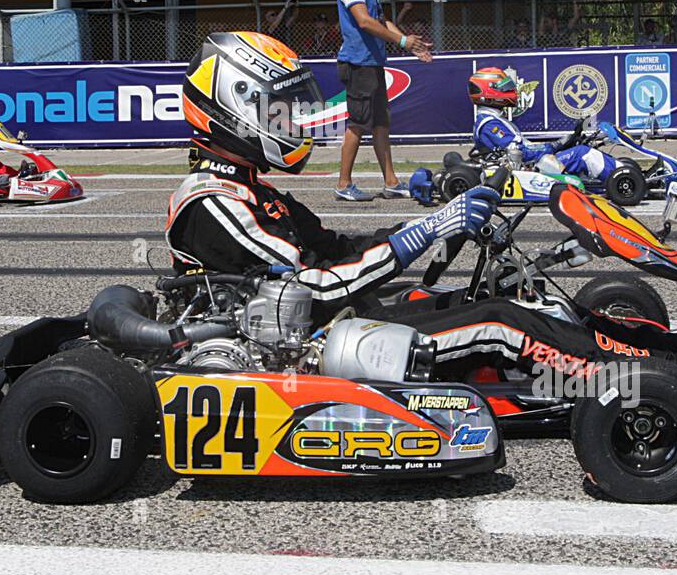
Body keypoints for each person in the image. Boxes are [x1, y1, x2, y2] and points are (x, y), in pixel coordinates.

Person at [168, 31, 643, 382]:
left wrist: (427, 226)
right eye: (280, 110)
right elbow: (314, 289)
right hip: (306, 353)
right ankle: (633, 384)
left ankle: (650, 350)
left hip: (345, 323)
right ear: (237, 108)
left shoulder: (254, 192)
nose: (293, 121)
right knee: (498, 324)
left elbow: (339, 249)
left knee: (486, 300)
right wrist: (425, 232)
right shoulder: (208, 203)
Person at [334, 0, 433, 202]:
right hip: (357, 63)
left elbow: (380, 20)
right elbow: (364, 21)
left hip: (371, 63)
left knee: (380, 124)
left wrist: (409, 44)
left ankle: (390, 182)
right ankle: (343, 184)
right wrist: (402, 39)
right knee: (357, 123)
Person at [467, 66, 608, 179]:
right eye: (504, 89)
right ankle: (622, 177)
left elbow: (525, 147)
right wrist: (555, 145)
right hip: (529, 169)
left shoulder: (494, 119)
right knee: (582, 154)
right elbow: (521, 152)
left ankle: (616, 174)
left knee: (580, 146)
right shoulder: (490, 125)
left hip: (531, 164)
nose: (511, 91)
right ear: (489, 93)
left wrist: (561, 144)